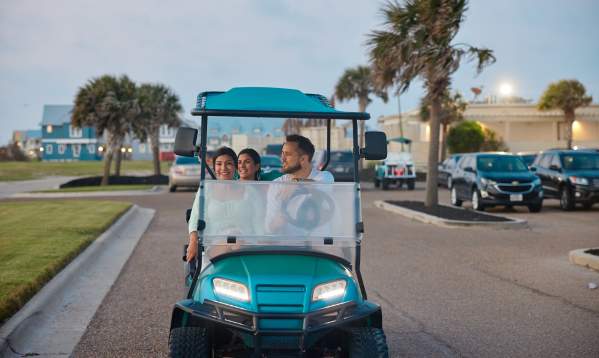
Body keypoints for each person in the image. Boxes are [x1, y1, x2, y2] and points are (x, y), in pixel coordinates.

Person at [265, 135, 334, 233]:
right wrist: (277, 223)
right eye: (282, 153)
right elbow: (269, 228)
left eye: (287, 154)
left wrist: (296, 183)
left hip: (319, 244)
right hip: (291, 245)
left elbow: (319, 186)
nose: (282, 159)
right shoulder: (276, 184)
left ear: (303, 159)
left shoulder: (325, 177)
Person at [186, 146, 236, 262]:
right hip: (214, 244)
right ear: (214, 167)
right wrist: (193, 242)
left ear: (235, 167)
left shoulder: (249, 190)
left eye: (228, 163)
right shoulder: (206, 189)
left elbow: (257, 221)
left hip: (245, 244)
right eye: (219, 164)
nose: (223, 168)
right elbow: (194, 218)